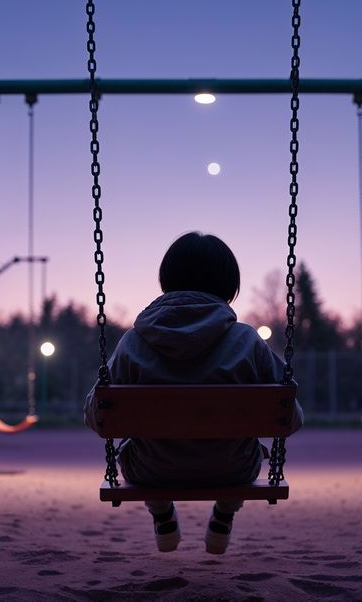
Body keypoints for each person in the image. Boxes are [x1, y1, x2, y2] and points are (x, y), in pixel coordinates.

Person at [85, 231, 304, 554]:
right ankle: (224, 513)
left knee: (136, 447)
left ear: (167, 280)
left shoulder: (133, 342)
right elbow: (290, 419)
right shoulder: (248, 341)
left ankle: (161, 512)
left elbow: (96, 416)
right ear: (229, 286)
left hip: (151, 470)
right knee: (250, 450)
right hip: (231, 470)